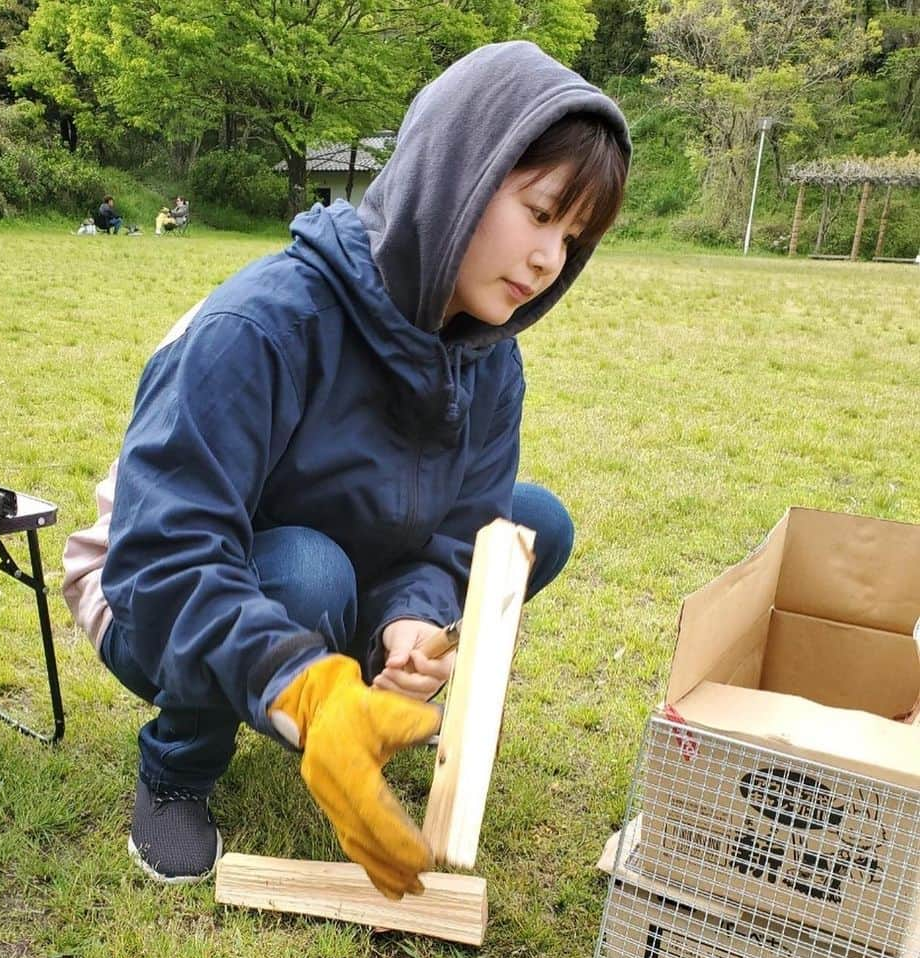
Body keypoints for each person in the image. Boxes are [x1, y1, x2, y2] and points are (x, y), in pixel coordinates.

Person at [64, 41, 630, 898]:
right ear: (456, 176)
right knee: (302, 571)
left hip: (331, 553)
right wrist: (307, 687)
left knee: (528, 525)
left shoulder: (489, 359)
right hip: (149, 588)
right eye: (540, 213)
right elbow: (169, 559)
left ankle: (344, 693)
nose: (552, 259)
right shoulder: (262, 325)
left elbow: (453, 530)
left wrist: (414, 619)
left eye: (574, 237)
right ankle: (180, 768)